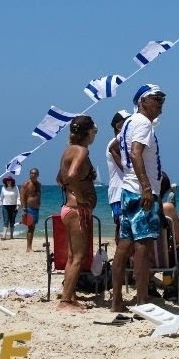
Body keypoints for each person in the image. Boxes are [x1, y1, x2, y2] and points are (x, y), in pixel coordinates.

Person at [111, 83, 167, 313]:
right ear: (142, 101)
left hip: (127, 189)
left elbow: (115, 147)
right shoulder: (142, 123)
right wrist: (145, 185)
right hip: (141, 190)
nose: (161, 103)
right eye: (156, 98)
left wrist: (130, 176)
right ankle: (142, 300)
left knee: (124, 245)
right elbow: (135, 152)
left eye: (162, 99)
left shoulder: (129, 124)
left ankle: (117, 301)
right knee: (143, 247)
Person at [56, 116, 97, 312]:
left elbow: (60, 178)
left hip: (68, 208)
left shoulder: (67, 151)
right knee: (78, 257)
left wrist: (73, 191)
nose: (95, 133)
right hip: (76, 209)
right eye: (95, 130)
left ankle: (70, 295)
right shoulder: (81, 150)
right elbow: (71, 175)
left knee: (73, 256)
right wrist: (80, 197)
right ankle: (65, 302)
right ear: (88, 132)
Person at [105, 110, 128, 231]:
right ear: (118, 125)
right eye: (126, 122)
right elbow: (126, 169)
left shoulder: (124, 144)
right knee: (122, 229)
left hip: (123, 192)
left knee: (123, 229)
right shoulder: (114, 144)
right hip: (118, 193)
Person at [22, 168, 42, 253]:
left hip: (36, 208)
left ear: (38, 175)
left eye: (35, 173)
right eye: (32, 173)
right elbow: (22, 196)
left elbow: (38, 195)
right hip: (29, 208)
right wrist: (24, 208)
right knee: (30, 227)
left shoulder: (38, 184)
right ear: (29, 174)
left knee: (33, 227)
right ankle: (28, 248)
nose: (33, 175)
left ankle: (30, 246)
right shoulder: (26, 184)